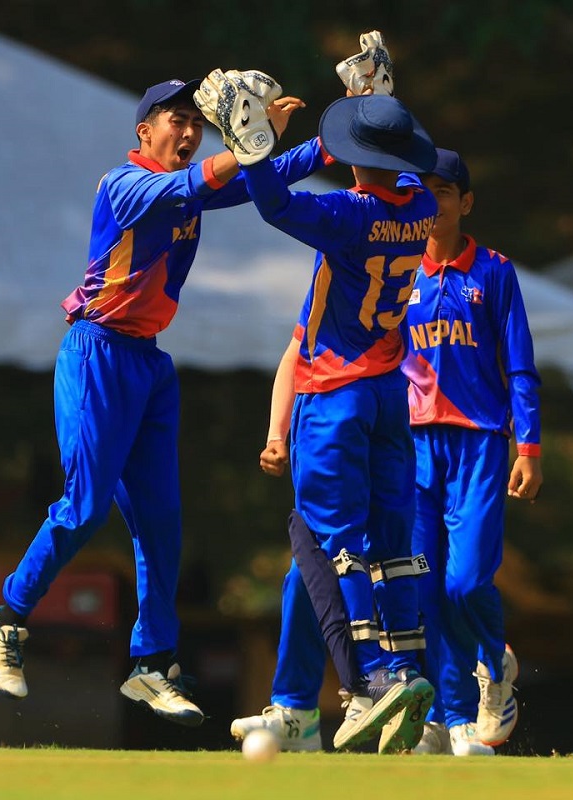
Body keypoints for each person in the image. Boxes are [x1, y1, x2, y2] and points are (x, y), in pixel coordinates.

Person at [0, 76, 325, 728]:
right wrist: (248, 143)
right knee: (84, 507)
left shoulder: (191, 183)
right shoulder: (124, 184)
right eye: (175, 121)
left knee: (162, 523)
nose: (188, 132)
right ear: (145, 131)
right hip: (98, 354)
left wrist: (335, 141)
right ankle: (6, 617)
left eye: (196, 123)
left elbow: (263, 178)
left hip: (149, 365)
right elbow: (194, 184)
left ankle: (152, 664)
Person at [200, 65, 438, 753]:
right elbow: (394, 160)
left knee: (330, 548)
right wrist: (373, 104)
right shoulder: (421, 204)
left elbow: (275, 205)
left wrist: (254, 145)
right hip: (390, 395)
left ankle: (367, 685)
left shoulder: (348, 217)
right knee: (387, 547)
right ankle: (381, 678)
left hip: (335, 396)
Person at [402, 148, 542, 756]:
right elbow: (383, 356)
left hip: (478, 443)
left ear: (466, 202)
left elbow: (520, 366)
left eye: (443, 191)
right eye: (423, 191)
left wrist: (528, 446)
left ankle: (494, 661)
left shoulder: (495, 272)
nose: (432, 203)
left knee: (463, 583)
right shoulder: (398, 269)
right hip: (412, 445)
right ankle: (449, 719)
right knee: (424, 589)